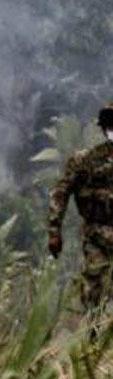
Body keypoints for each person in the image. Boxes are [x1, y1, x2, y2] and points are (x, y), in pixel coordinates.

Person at [49, 102, 113, 310]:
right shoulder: (84, 161)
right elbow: (61, 192)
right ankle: (94, 328)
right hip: (97, 235)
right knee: (93, 293)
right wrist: (54, 230)